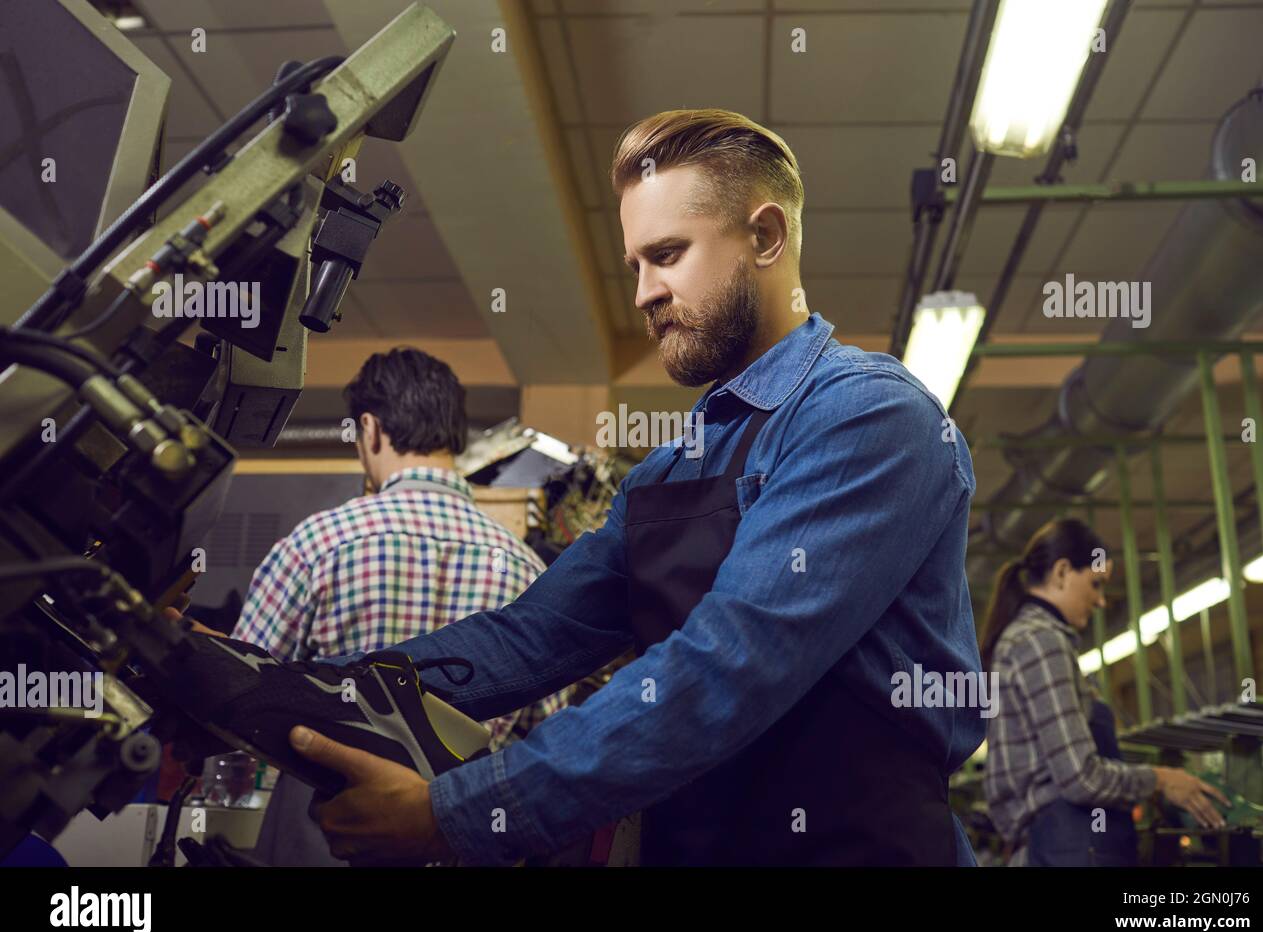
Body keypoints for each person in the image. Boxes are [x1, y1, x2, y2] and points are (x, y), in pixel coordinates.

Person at [207, 108, 988, 866]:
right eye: (635, 266)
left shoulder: (868, 414)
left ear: (765, 236)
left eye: (669, 254)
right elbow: (527, 638)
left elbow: (733, 665)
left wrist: (459, 816)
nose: (644, 292)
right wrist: (279, 689)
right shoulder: (669, 468)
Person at [177, 349, 570, 864]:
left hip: (323, 838)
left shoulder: (316, 544)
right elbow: (545, 733)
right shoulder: (526, 569)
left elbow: (242, 696)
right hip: (454, 838)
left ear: (371, 428)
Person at [981, 517, 1230, 866]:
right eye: (1096, 584)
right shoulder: (1042, 642)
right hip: (1067, 847)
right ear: (1063, 572)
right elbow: (1081, 778)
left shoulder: (1031, 640)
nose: (1101, 601)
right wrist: (1161, 779)